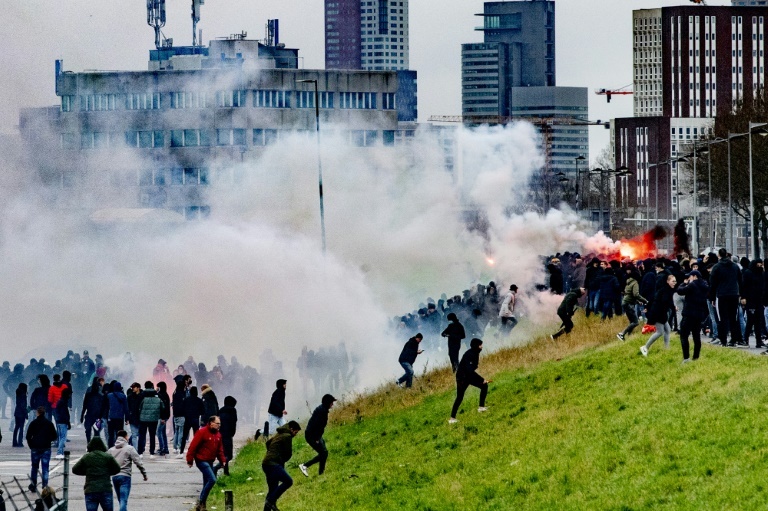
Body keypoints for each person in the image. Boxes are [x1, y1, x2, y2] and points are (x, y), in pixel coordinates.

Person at [186, 416, 227, 511]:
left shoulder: (218, 435)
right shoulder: (202, 432)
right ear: (211, 423)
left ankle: (202, 506)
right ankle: (200, 501)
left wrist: (223, 461)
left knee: (206, 483)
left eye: (220, 424)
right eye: (217, 423)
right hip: (201, 460)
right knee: (212, 479)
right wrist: (190, 460)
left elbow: (220, 450)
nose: (219, 425)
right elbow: (193, 447)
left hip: (210, 461)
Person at [72, 437, 121, 511]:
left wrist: (86, 472)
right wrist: (108, 473)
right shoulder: (107, 457)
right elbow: (117, 468)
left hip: (90, 489)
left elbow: (75, 469)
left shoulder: (87, 457)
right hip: (105, 488)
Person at [262, 421, 301, 511]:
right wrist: (279, 456)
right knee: (288, 481)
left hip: (266, 463)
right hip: (273, 464)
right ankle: (271, 501)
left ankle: (269, 506)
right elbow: (288, 453)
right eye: (295, 432)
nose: (295, 435)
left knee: (273, 489)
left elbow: (268, 443)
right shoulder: (287, 436)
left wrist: (273, 452)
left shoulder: (279, 433)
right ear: (291, 429)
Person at [449, 338, 490, 424]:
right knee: (459, 397)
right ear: (476, 346)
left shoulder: (475, 353)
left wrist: (481, 380)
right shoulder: (469, 354)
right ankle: (452, 418)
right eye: (480, 345)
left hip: (468, 376)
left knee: (484, 386)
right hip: (462, 378)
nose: (482, 347)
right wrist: (481, 379)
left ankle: (481, 407)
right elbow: (469, 370)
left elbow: (471, 370)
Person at [709, 247, 743, 347]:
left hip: (721, 295)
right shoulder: (735, 266)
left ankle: (723, 340)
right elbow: (740, 281)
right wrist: (741, 294)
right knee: (734, 318)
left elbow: (713, 283)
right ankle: (733, 339)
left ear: (719, 255)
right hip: (734, 294)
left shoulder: (716, 267)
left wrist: (712, 298)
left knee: (721, 319)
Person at [107, 430, 147, 511]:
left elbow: (105, 462)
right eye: (127, 436)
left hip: (115, 477)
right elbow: (138, 462)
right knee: (123, 500)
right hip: (125, 477)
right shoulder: (129, 448)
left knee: (120, 500)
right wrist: (144, 474)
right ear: (125, 437)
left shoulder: (111, 450)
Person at [299, 394, 336, 477]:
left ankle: (321, 473)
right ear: (327, 403)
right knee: (323, 453)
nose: (332, 404)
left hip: (314, 435)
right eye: (331, 403)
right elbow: (317, 425)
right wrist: (316, 438)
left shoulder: (323, 409)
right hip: (312, 436)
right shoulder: (322, 411)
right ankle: (305, 466)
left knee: (324, 453)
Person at [677, 270, 710, 362]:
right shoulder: (705, 286)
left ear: (694, 276)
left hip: (689, 314)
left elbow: (680, 291)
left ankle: (686, 358)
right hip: (699, 314)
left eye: (690, 277)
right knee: (696, 336)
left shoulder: (692, 285)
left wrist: (683, 283)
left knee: (683, 335)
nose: (688, 278)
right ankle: (696, 357)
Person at [640, 273, 677, 357]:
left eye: (675, 281)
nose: (674, 283)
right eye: (673, 281)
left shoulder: (663, 289)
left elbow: (653, 299)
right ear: (668, 281)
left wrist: (647, 307)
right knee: (660, 332)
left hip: (661, 313)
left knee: (668, 330)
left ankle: (666, 349)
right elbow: (664, 301)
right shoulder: (666, 291)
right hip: (658, 313)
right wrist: (673, 306)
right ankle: (645, 347)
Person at [26, 407, 58, 493]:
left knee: (34, 467)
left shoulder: (33, 423)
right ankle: (45, 486)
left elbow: (28, 436)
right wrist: (48, 440)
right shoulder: (49, 423)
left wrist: (31, 445)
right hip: (46, 447)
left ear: (37, 413)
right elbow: (55, 436)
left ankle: (33, 485)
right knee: (45, 468)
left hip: (35, 447)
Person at [617, 265, 648, 341]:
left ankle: (629, 336)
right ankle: (622, 334)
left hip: (625, 302)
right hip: (628, 303)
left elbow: (629, 294)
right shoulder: (635, 283)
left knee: (632, 321)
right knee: (636, 322)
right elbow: (636, 294)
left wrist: (637, 302)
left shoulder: (628, 282)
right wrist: (645, 301)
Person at [742, 258, 766, 348]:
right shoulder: (748, 273)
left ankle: (759, 341)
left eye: (761, 265)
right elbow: (744, 286)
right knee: (750, 320)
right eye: (758, 265)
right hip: (750, 300)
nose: (760, 266)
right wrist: (743, 297)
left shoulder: (761, 274)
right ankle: (745, 339)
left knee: (758, 321)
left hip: (759, 300)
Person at [137, 381, 164, 458]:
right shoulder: (157, 395)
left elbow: (138, 406)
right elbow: (162, 406)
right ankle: (151, 453)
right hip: (154, 419)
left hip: (143, 419)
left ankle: (140, 452)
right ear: (152, 386)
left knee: (142, 436)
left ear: (145, 386)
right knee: (152, 436)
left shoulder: (142, 395)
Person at [179, 386, 204, 456]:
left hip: (187, 419)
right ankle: (196, 451)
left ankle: (181, 451)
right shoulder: (199, 400)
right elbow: (203, 411)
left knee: (184, 436)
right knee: (196, 436)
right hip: (196, 419)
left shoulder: (186, 400)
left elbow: (182, 410)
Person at [216, 396, 238, 476]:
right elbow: (233, 423)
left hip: (220, 434)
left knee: (224, 454)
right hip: (228, 435)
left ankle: (226, 471)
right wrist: (232, 433)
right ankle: (217, 467)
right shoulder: (232, 410)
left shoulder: (220, 410)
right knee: (229, 455)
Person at [106, 382, 128, 448]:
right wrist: (127, 418)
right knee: (120, 435)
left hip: (111, 417)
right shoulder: (123, 396)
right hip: (120, 417)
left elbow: (107, 407)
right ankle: (119, 447)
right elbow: (126, 408)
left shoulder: (109, 395)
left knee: (111, 435)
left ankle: (110, 448)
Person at [54, 387, 71, 459]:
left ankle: (60, 451)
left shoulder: (60, 401)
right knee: (63, 437)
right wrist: (68, 422)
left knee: (60, 437)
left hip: (59, 421)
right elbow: (65, 413)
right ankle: (59, 452)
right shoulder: (63, 402)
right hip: (63, 421)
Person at [155, 381, 171, 457]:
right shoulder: (165, 395)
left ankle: (161, 448)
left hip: (162, 417)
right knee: (163, 433)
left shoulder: (161, 395)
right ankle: (166, 448)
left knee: (158, 432)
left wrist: (163, 418)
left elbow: (163, 408)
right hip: (165, 416)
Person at [13, 382, 27, 447]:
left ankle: (14, 442)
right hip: (22, 413)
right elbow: (23, 405)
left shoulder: (18, 394)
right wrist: (25, 412)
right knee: (21, 428)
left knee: (16, 427)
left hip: (17, 412)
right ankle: (20, 442)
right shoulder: (23, 395)